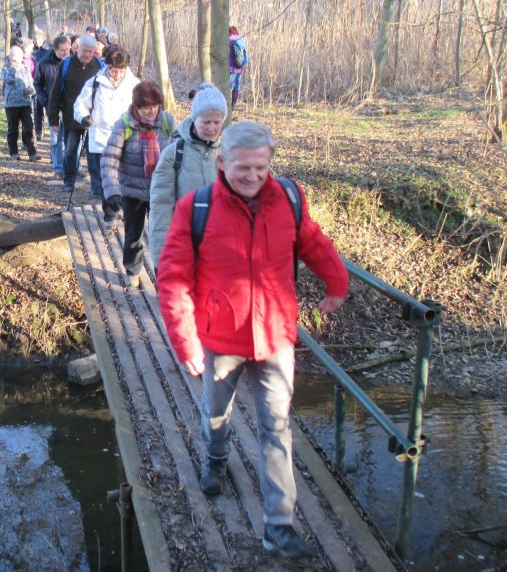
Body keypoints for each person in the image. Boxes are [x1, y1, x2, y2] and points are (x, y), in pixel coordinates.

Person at [156, 121, 348, 560]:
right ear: (222, 162)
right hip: (221, 337)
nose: (253, 176)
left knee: (275, 429)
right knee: (216, 412)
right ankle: (216, 458)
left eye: (261, 167)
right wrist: (185, 342)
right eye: (244, 167)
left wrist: (336, 282)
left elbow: (313, 241)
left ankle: (278, 526)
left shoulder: (289, 198)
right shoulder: (196, 207)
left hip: (276, 335)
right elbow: (173, 278)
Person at [100, 80, 175, 287]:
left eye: (154, 105)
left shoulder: (167, 122)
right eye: (145, 107)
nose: (151, 111)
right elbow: (109, 159)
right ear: (136, 107)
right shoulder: (124, 124)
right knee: (134, 233)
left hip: (160, 190)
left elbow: (178, 154)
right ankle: (132, 270)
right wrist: (112, 191)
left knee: (163, 233)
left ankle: (165, 274)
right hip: (132, 191)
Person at [148, 82, 226, 267]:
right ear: (194, 119)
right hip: (184, 246)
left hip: (220, 248)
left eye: (217, 122)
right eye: (206, 122)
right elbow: (161, 207)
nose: (211, 128)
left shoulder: (230, 153)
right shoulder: (174, 153)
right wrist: (162, 258)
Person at [73, 46, 139, 199]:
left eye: (121, 71)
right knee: (103, 182)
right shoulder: (95, 83)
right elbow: (79, 105)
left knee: (122, 179)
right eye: (113, 70)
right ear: (108, 67)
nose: (117, 74)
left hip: (125, 140)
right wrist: (83, 117)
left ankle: (122, 211)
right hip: (99, 139)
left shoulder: (134, 85)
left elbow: (140, 110)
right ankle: (107, 213)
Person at [48, 34, 104, 195]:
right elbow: (56, 93)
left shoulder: (100, 66)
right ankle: (69, 180)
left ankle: (96, 186)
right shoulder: (66, 65)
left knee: (94, 153)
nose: (87, 54)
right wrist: (53, 119)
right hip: (71, 116)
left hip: (94, 119)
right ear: (77, 48)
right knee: (71, 150)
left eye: (91, 51)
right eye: (85, 51)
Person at [35, 35, 71, 180]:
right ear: (55, 49)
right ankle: (58, 169)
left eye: (68, 50)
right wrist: (44, 100)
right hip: (53, 108)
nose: (66, 53)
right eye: (63, 50)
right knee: (56, 139)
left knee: (71, 139)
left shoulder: (72, 63)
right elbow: (37, 83)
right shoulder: (44, 63)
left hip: (70, 107)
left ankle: (73, 167)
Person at [1, 45, 39, 161]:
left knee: (29, 128)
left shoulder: (24, 68)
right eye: (15, 57)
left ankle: (32, 153)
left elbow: (31, 83)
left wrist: (31, 90)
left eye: (19, 57)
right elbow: (9, 80)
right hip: (12, 104)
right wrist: (12, 67)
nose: (18, 59)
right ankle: (14, 153)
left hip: (26, 103)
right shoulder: (5, 69)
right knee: (13, 129)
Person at [31, 29, 51, 139]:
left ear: (43, 39)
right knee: (36, 108)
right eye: (35, 39)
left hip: (45, 81)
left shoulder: (48, 50)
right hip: (34, 81)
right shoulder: (31, 51)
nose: (37, 41)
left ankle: (48, 125)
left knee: (45, 105)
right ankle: (39, 130)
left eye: (38, 38)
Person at [229, 26, 249, 108]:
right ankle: (233, 104)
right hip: (240, 68)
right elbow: (245, 54)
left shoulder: (229, 40)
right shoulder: (241, 40)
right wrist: (244, 65)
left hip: (231, 68)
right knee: (236, 86)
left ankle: (227, 105)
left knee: (228, 86)